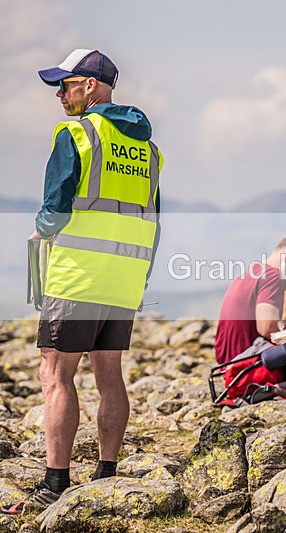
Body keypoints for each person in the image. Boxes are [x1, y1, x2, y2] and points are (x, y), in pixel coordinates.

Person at [2, 50, 163, 515]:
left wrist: (40, 231)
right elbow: (153, 218)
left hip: (77, 276)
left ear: (90, 86)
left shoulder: (75, 134)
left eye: (65, 84)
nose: (59, 94)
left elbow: (56, 206)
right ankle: (106, 473)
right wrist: (139, 275)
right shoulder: (149, 150)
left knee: (55, 374)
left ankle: (55, 483)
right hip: (125, 278)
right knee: (110, 374)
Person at [214, 235, 286, 365]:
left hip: (228, 363)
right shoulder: (272, 276)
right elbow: (268, 328)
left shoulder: (251, 273)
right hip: (247, 363)